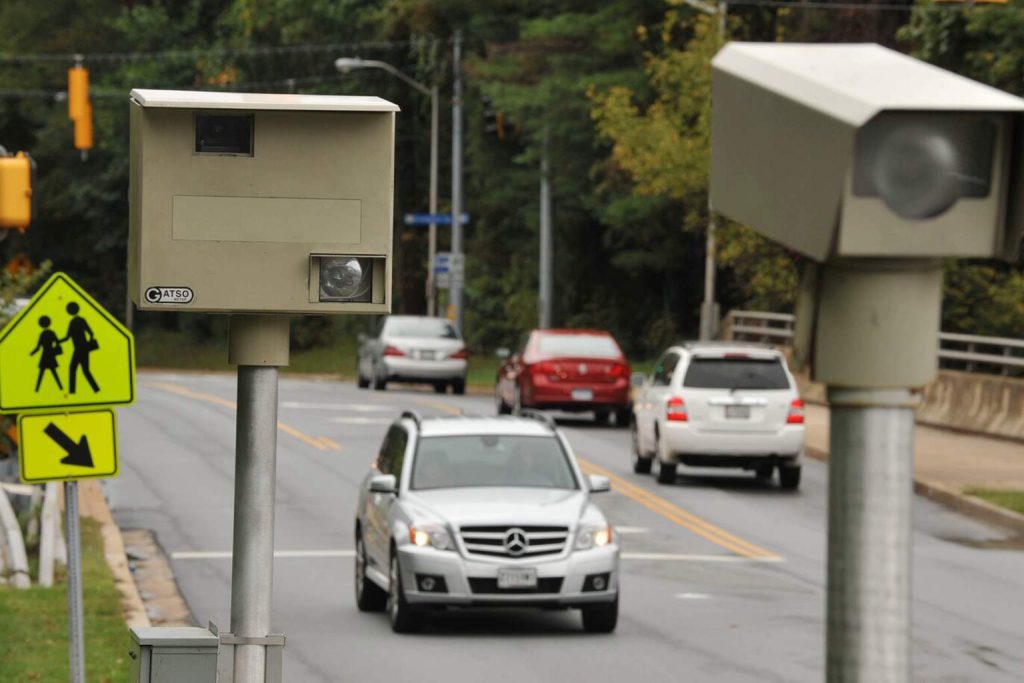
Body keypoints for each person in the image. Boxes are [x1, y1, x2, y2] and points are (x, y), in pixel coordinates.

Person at [60, 302, 100, 394]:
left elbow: (67, 337)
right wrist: (89, 343)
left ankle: (72, 391)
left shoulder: (72, 322)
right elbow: (91, 333)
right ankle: (95, 389)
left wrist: (58, 341)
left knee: (73, 368)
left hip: (78, 349)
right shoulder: (81, 320)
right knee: (84, 370)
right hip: (84, 348)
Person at [30, 315, 63, 392]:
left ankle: (37, 389)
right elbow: (57, 342)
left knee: (42, 373)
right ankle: (60, 387)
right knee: (53, 372)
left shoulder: (42, 334)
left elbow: (38, 347)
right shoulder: (52, 333)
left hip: (45, 355)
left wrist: (32, 353)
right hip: (51, 354)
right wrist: (55, 350)